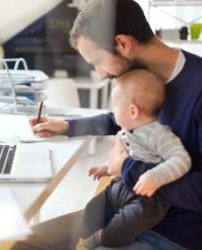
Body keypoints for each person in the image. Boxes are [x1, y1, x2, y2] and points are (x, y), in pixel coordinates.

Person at [12, 0, 202, 249]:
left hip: (172, 234)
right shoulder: (146, 78)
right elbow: (119, 119)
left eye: (97, 62)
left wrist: (126, 166)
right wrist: (68, 126)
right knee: (23, 243)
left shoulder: (197, 88)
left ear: (123, 43)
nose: (100, 74)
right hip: (125, 207)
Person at [76, 69, 191, 249]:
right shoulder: (127, 130)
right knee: (93, 208)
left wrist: (155, 176)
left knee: (122, 227)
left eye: (114, 107)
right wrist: (107, 168)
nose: (113, 112)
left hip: (149, 200)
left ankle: (103, 239)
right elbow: (127, 158)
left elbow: (182, 159)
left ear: (132, 111)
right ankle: (85, 239)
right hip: (123, 186)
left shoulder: (158, 134)